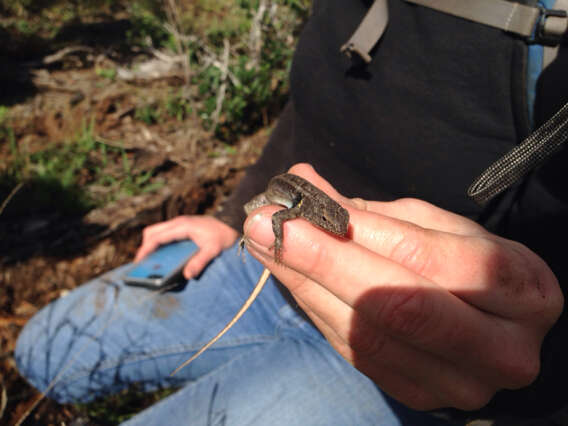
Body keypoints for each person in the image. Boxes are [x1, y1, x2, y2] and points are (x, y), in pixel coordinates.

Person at [16, 0, 568, 424]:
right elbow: (317, 98)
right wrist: (237, 213)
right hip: (259, 260)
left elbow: (310, 215)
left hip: (410, 350)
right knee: (46, 348)